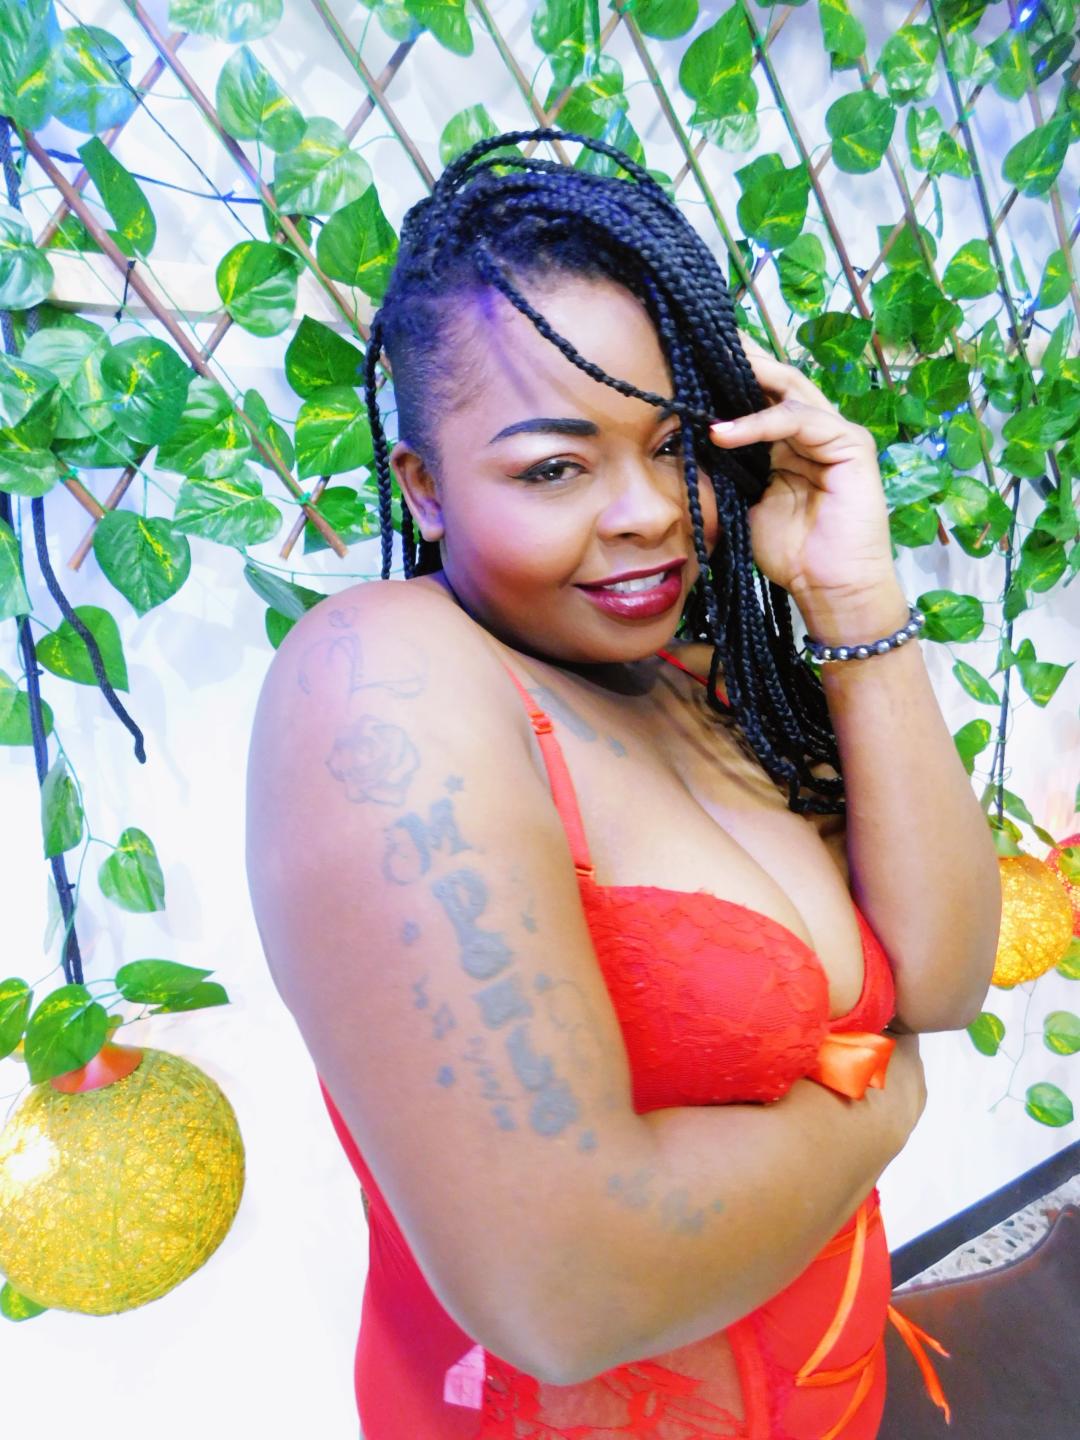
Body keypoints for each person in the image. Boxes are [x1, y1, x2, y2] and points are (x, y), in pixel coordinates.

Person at [245, 128, 1001, 1439]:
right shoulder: (383, 679)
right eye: (554, 466)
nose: (648, 511)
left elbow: (943, 980)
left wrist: (854, 597)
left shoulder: (710, 688)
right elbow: (569, 1293)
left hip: (834, 1393)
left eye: (674, 446)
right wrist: (885, 1108)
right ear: (423, 488)